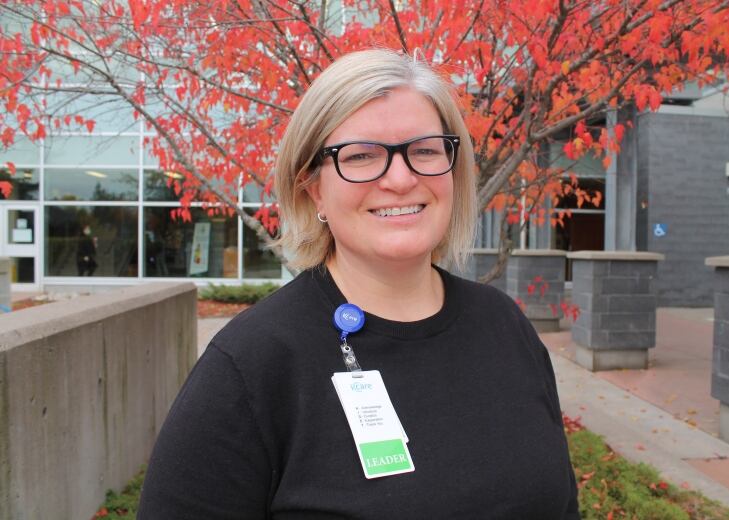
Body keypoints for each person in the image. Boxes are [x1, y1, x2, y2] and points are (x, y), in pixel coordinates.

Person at [138, 49, 580, 518]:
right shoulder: (251, 365)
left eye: (425, 150)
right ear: (313, 188)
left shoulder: (504, 324)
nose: (400, 178)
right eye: (362, 155)